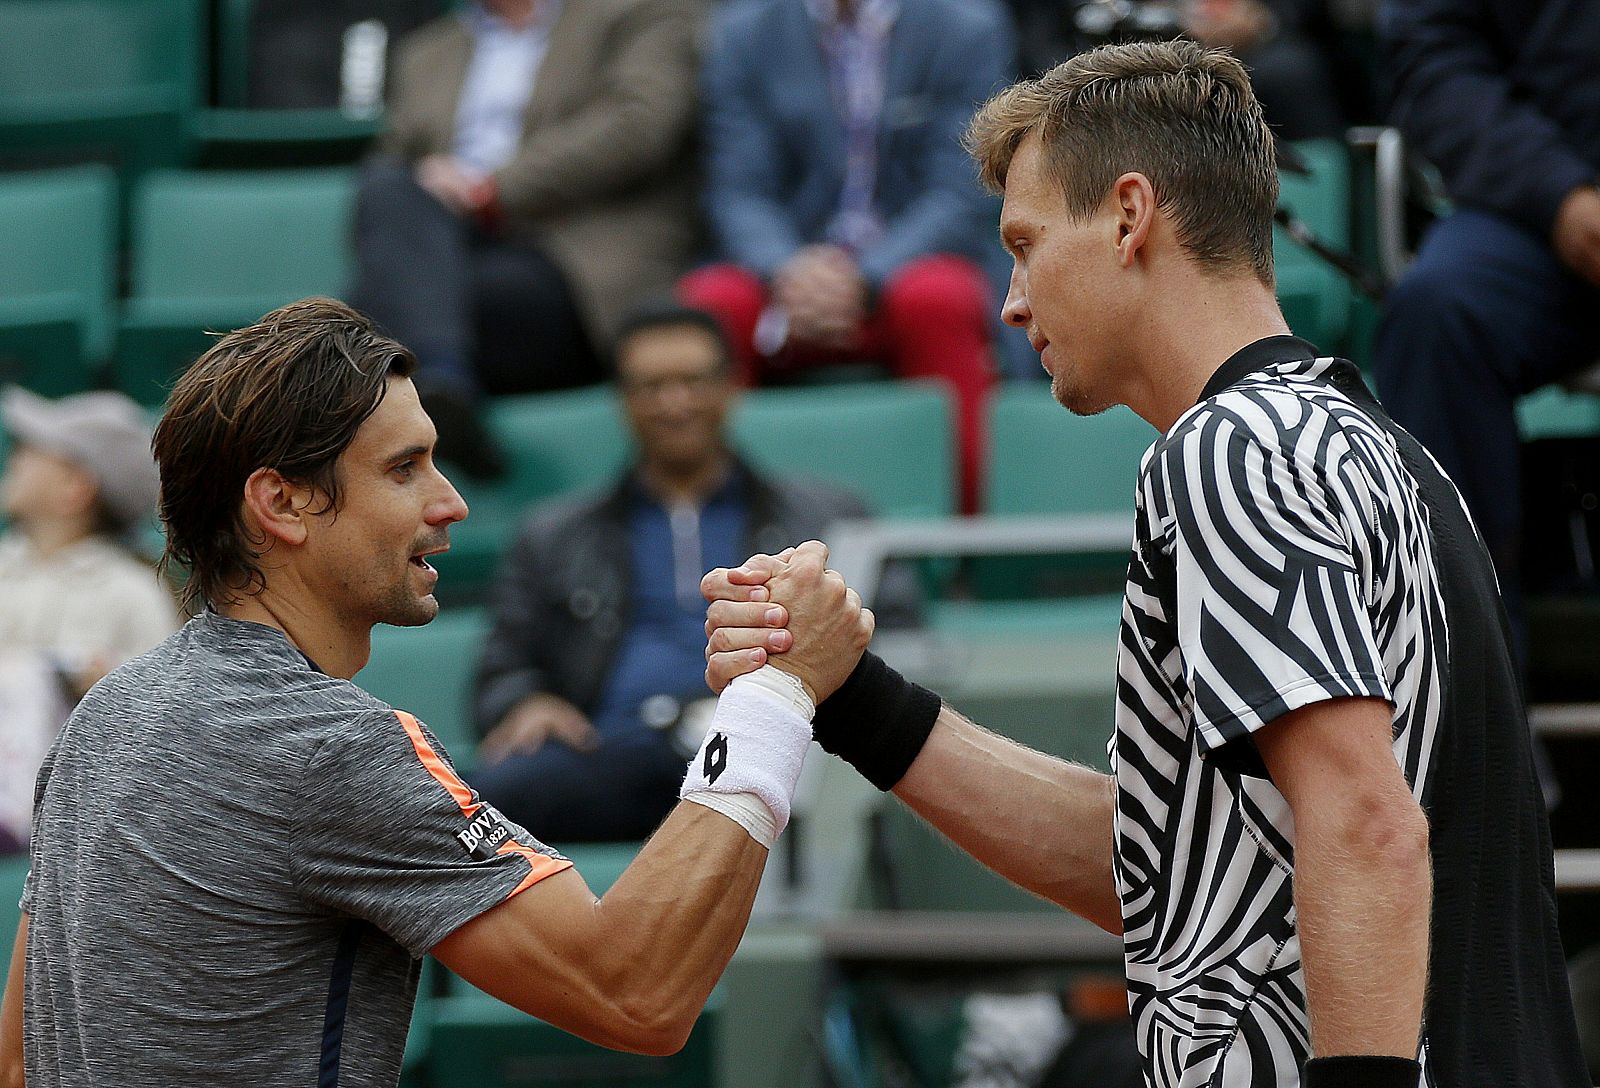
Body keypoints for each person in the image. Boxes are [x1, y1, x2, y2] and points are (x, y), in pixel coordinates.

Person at [703, 42, 1587, 1087]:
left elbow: (1363, 820)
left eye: (1025, 246)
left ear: (1128, 216)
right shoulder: (1378, 448)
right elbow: (1168, 872)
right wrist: (853, 698)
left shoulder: (1227, 452)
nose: (1010, 302)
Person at [0, 297, 873, 1086]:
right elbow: (635, 992)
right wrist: (775, 695)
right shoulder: (333, 747)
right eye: (405, 468)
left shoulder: (102, 718)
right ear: (283, 503)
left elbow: (18, 1058)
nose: (451, 502)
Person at [472, 301, 918, 843]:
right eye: (651, 386)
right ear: (622, 401)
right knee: (470, 800)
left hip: (776, 749)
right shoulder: (552, 534)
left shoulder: (826, 517)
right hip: (615, 754)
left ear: (732, 388)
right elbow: (501, 665)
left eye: (693, 381)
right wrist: (525, 702)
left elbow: (900, 641)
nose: (675, 403)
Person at [680, 0, 1014, 514]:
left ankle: (967, 545)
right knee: (710, 305)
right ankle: (719, 536)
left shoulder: (964, 27)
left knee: (938, 299)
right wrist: (787, 271)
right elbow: (737, 189)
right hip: (785, 276)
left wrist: (865, 276)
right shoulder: (743, 32)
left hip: (909, 267)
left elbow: (962, 188)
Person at [351, 0, 705, 476]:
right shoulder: (427, 52)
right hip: (452, 258)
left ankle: (425, 383)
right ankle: (438, 382)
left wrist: (491, 189)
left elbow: (641, 123)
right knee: (386, 184)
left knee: (361, 333)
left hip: (575, 265)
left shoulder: (638, 13)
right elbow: (397, 179)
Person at [1371, 0, 1600, 663]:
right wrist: (1563, 197)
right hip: (1544, 205)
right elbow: (1436, 59)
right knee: (1436, 314)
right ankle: (1477, 718)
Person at [0, 387, 178, 852]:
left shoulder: (132, 593)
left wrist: (106, 679)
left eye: (35, 449)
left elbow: (165, 719)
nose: (17, 457)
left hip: (75, 823)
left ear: (75, 488)